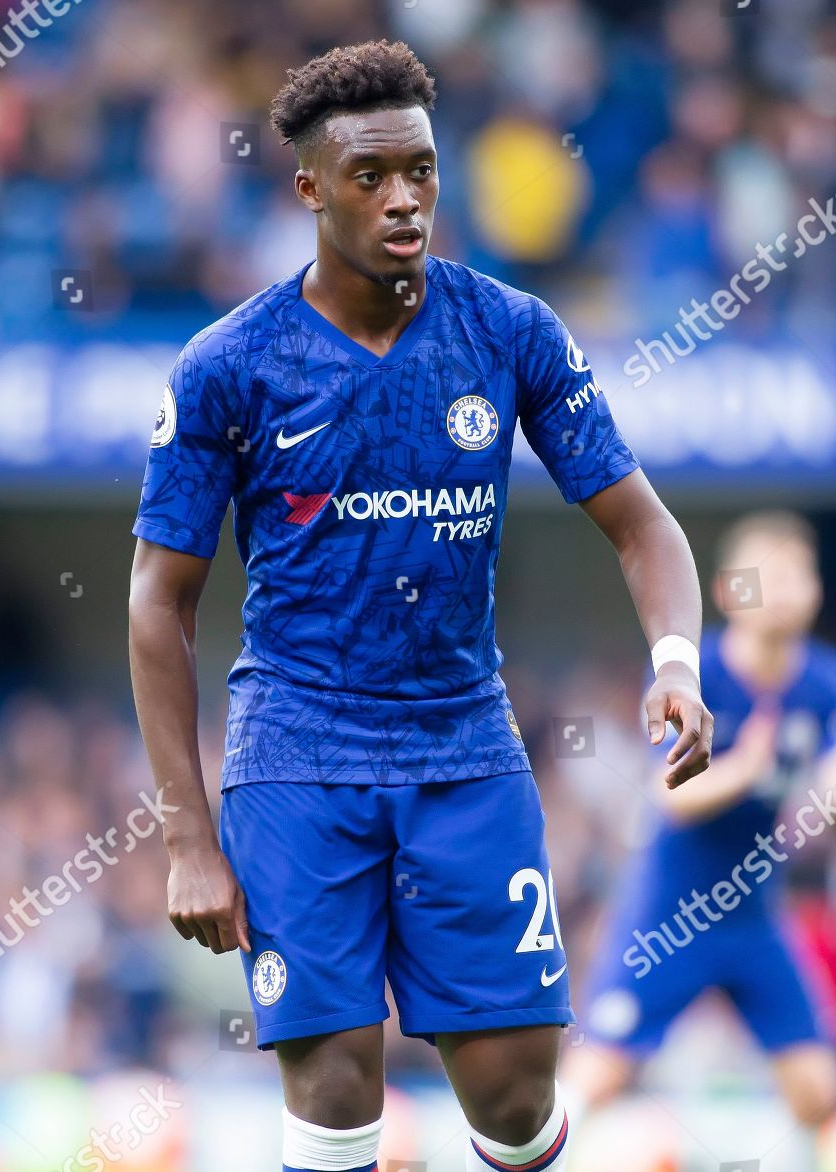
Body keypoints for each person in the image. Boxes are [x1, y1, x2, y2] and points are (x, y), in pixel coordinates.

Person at [127, 40, 713, 1172]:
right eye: (369, 176)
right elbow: (160, 601)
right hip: (298, 750)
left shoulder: (510, 332)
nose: (404, 198)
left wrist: (677, 659)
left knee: (510, 1090)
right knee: (338, 1078)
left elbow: (645, 526)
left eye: (422, 170)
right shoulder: (229, 365)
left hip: (462, 742)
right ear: (309, 188)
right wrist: (188, 839)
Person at [564, 511, 836, 1158]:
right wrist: (746, 769)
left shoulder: (830, 684)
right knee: (599, 1074)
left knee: (820, 1091)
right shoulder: (691, 675)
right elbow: (671, 797)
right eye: (769, 576)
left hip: (754, 913)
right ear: (729, 591)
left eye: (798, 575)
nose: (785, 589)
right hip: (670, 910)